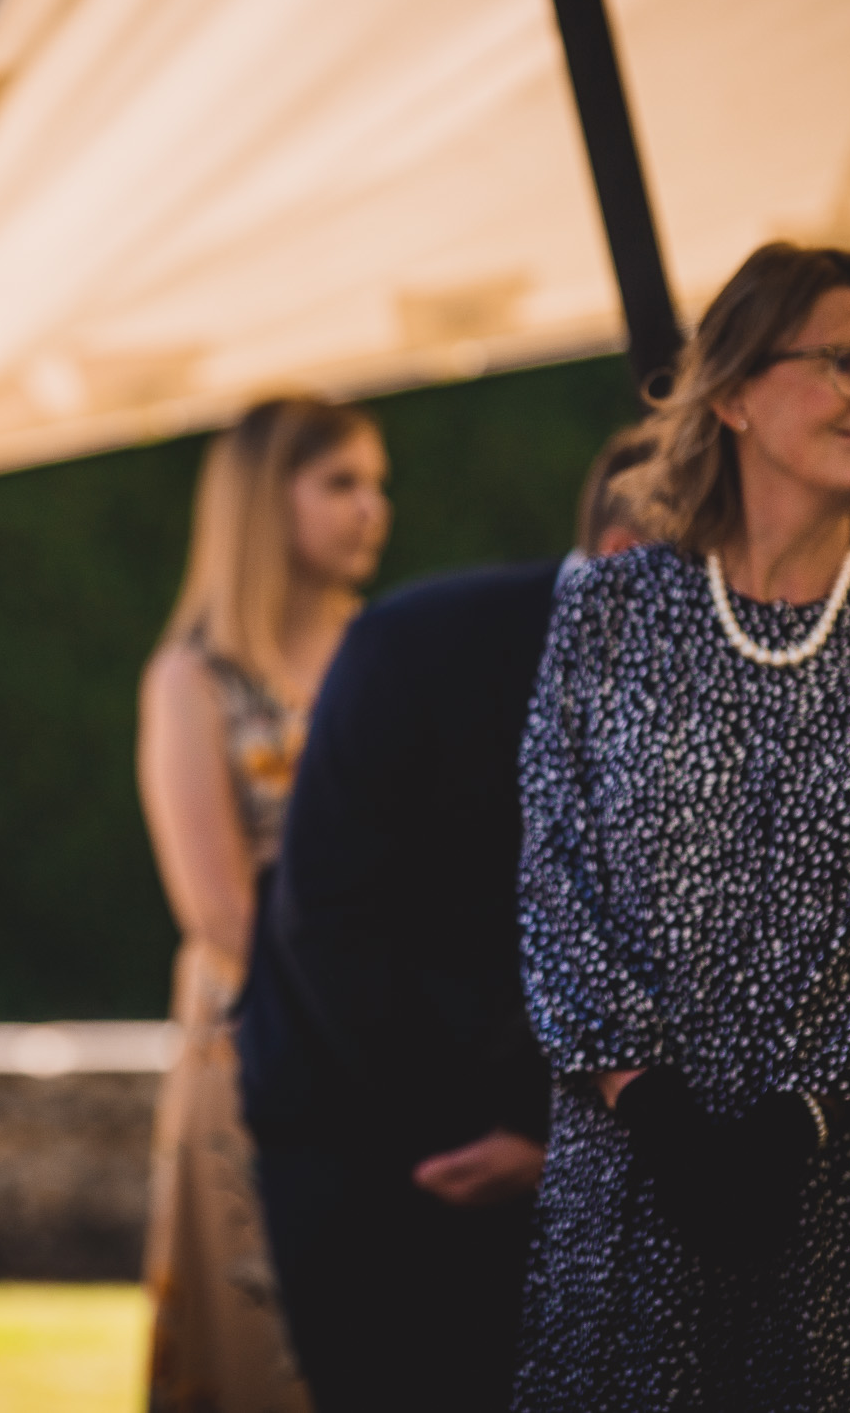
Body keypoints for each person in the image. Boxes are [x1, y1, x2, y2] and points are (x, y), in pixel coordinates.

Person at [514, 242, 850, 1410]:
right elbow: (554, 880)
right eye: (845, 361)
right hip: (633, 1185)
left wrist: (795, 1119)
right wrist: (660, 1112)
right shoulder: (605, 610)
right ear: (730, 392)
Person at [236, 427, 658, 1410]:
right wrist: (500, 1127)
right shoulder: (419, 644)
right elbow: (333, 915)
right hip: (374, 1133)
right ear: (626, 551)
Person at [137, 397, 389, 1413]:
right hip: (259, 1036)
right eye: (340, 482)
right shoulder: (193, 677)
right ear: (258, 500)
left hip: (390, 1034)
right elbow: (217, 909)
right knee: (260, 1342)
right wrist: (356, 1015)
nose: (372, 508)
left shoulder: (387, 648)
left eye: (378, 483)